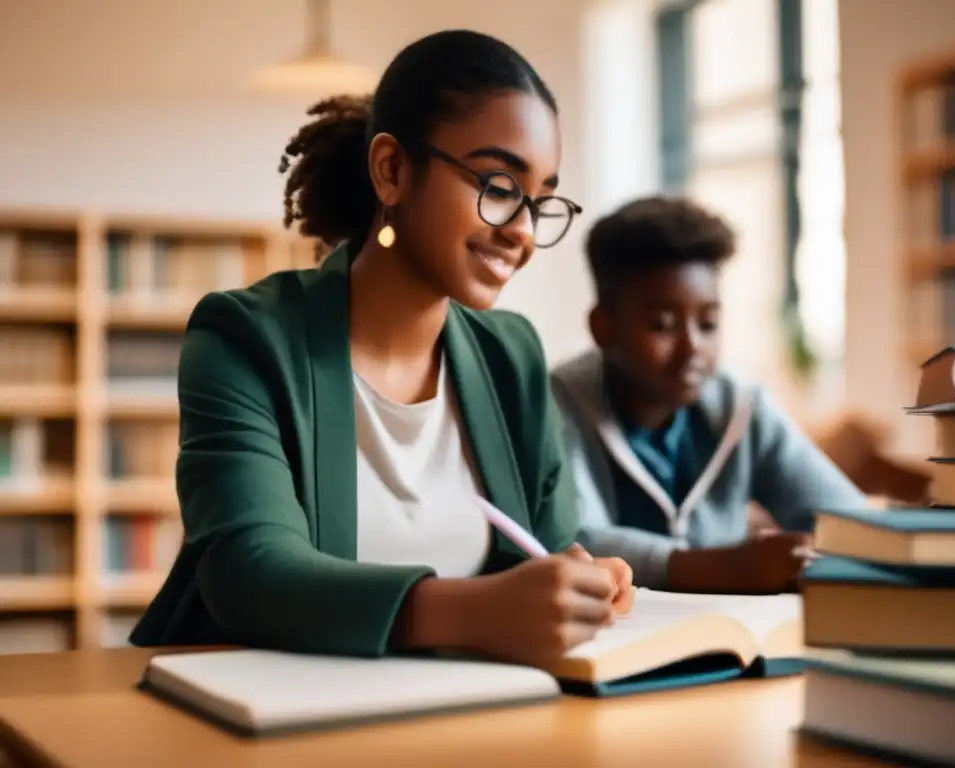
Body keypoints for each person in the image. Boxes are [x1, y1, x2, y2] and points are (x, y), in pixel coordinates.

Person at [129, 30, 633, 666]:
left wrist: (580, 584)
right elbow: (249, 572)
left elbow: (552, 549)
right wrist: (482, 610)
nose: (523, 233)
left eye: (541, 201)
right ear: (392, 170)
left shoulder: (513, 356)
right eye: (500, 186)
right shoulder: (245, 338)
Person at [550, 195, 866, 595]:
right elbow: (573, 540)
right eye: (662, 324)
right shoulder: (556, 404)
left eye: (708, 323)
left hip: (728, 635)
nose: (692, 347)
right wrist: (723, 568)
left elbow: (848, 520)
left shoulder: (742, 405)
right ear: (603, 327)